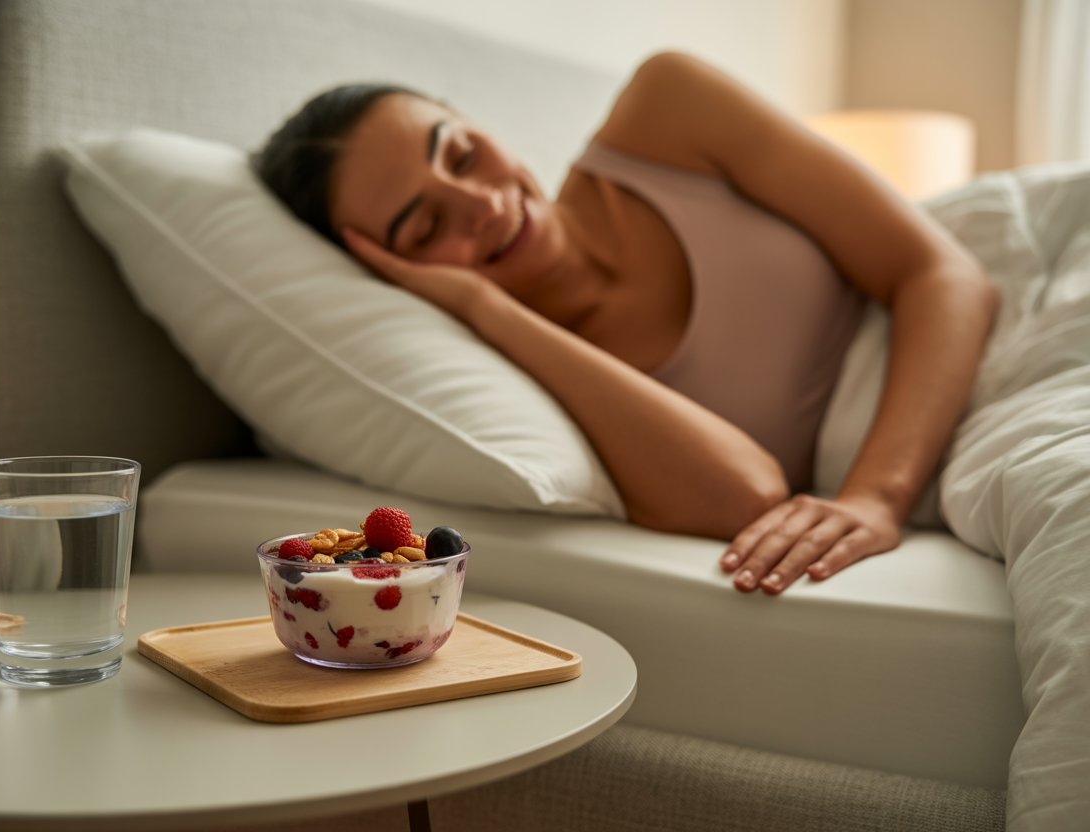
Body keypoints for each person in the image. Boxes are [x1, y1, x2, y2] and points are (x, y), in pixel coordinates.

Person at [255, 53, 1090, 831]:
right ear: (395, 278)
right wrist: (487, 310)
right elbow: (747, 495)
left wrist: (875, 494)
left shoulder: (666, 107)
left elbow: (942, 273)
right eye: (425, 225)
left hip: (1016, 316)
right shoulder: (519, 372)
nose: (483, 204)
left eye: (461, 154)